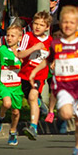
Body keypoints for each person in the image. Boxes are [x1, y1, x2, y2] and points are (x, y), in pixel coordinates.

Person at [30, 6, 78, 155]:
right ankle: (60, 118)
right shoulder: (56, 44)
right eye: (65, 22)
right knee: (67, 113)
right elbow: (47, 60)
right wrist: (34, 71)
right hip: (63, 87)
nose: (68, 25)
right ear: (60, 24)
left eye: (71, 22)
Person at [16, 10, 52, 140]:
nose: (37, 27)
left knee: (32, 96)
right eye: (35, 24)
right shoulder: (28, 37)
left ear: (47, 27)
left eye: (41, 25)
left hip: (39, 76)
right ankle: (41, 106)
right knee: (30, 97)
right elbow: (19, 54)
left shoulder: (50, 41)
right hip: (25, 74)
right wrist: (34, 48)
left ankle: (33, 127)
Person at [0, 24, 25, 145]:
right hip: (4, 84)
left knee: (15, 112)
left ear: (19, 38)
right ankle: (0, 117)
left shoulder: (22, 53)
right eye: (7, 35)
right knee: (7, 103)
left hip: (17, 86)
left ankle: (13, 132)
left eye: (12, 36)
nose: (9, 38)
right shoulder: (2, 50)